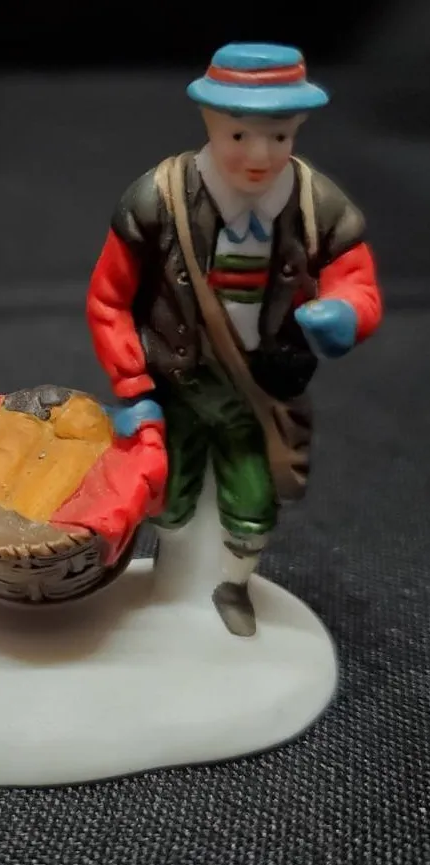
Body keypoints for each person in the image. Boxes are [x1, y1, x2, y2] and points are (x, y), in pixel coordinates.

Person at [86, 44, 383, 637]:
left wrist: (345, 314)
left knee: (252, 497)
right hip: (177, 381)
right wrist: (133, 386)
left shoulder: (315, 203)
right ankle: (169, 581)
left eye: (279, 136)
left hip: (258, 390)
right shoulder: (157, 199)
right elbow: (108, 300)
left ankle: (234, 584)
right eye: (240, 135)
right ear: (210, 121)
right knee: (169, 491)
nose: (259, 155)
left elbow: (357, 280)